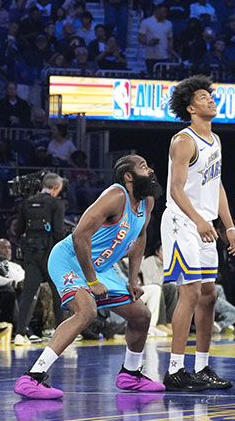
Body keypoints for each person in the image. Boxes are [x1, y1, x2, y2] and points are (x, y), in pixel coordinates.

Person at [13, 155, 165, 399]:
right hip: (69, 259)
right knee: (86, 311)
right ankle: (32, 377)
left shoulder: (146, 201)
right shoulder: (115, 197)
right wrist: (92, 281)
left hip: (100, 267)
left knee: (141, 316)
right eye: (144, 167)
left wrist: (133, 280)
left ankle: (130, 374)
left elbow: (140, 236)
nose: (151, 170)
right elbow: (79, 236)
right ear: (128, 176)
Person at [161, 76, 235, 392]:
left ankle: (203, 366)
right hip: (183, 222)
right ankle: (175, 370)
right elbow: (176, 188)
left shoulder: (216, 140)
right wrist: (198, 221)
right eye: (203, 97)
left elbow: (216, 185)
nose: (211, 99)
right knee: (191, 292)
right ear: (190, 107)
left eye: (211, 95)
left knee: (209, 295)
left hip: (205, 224)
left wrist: (229, 227)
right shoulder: (184, 140)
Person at [13, 172, 67, 342]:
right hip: (50, 255)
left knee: (28, 293)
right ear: (56, 188)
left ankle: (20, 333)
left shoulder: (27, 202)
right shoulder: (56, 203)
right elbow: (58, 232)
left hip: (30, 253)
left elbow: (18, 229)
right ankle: (62, 334)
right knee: (59, 292)